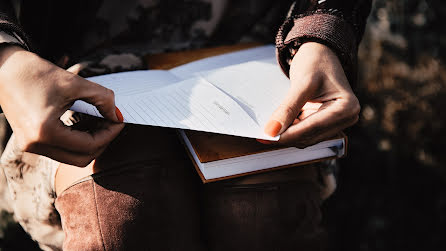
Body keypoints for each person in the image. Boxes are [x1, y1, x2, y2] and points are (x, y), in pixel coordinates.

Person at [0, 0, 372, 250]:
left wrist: (321, 35)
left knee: (262, 215)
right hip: (77, 64)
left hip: (256, 55)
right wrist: (7, 61)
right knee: (119, 218)